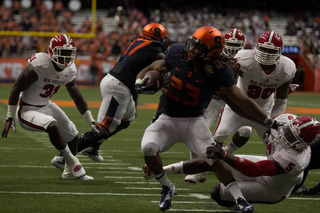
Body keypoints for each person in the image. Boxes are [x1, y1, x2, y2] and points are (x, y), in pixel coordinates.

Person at [137, 26, 282, 212]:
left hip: (194, 121)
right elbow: (155, 66)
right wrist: (141, 79)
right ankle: (167, 187)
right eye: (193, 44)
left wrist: (268, 120)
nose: (192, 50)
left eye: (199, 48)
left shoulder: (219, 71)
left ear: (211, 52)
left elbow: (241, 101)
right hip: (168, 118)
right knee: (148, 147)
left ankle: (239, 199)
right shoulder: (177, 54)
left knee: (215, 158)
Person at [54, 23, 168, 164]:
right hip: (118, 86)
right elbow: (164, 59)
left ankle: (93, 147)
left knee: (126, 120)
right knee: (102, 128)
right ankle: (64, 157)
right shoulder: (154, 47)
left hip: (121, 84)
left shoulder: (139, 41)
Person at [1, 34, 95, 180]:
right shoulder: (40, 64)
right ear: (51, 51)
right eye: (62, 52)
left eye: (69, 53)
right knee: (52, 125)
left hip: (46, 105)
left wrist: (90, 120)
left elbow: (77, 97)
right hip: (27, 109)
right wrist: (9, 117)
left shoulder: (69, 70)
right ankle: (73, 163)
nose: (66, 57)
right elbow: (16, 87)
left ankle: (68, 169)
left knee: (73, 136)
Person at [205, 114, 320, 209]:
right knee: (217, 163)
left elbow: (254, 170)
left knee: (216, 192)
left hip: (272, 188)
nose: (287, 135)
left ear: (304, 145)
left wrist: (223, 154)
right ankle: (188, 169)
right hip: (268, 163)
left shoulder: (296, 160)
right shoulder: (284, 120)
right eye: (289, 130)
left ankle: (237, 206)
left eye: (293, 137)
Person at [185, 28, 253, 184]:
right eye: (230, 44)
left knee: (245, 131)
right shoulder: (214, 55)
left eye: (237, 45)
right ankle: (199, 171)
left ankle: (226, 153)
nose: (234, 48)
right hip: (214, 99)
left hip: (234, 101)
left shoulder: (247, 60)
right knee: (199, 131)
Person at [213, 31, 296, 155]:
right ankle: (203, 170)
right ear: (256, 47)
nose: (267, 54)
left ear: (280, 52)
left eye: (272, 51)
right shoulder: (243, 59)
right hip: (238, 107)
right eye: (263, 49)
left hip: (263, 111)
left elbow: (281, 100)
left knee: (275, 145)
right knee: (220, 134)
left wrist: (274, 120)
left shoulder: (287, 68)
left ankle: (228, 152)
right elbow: (227, 78)